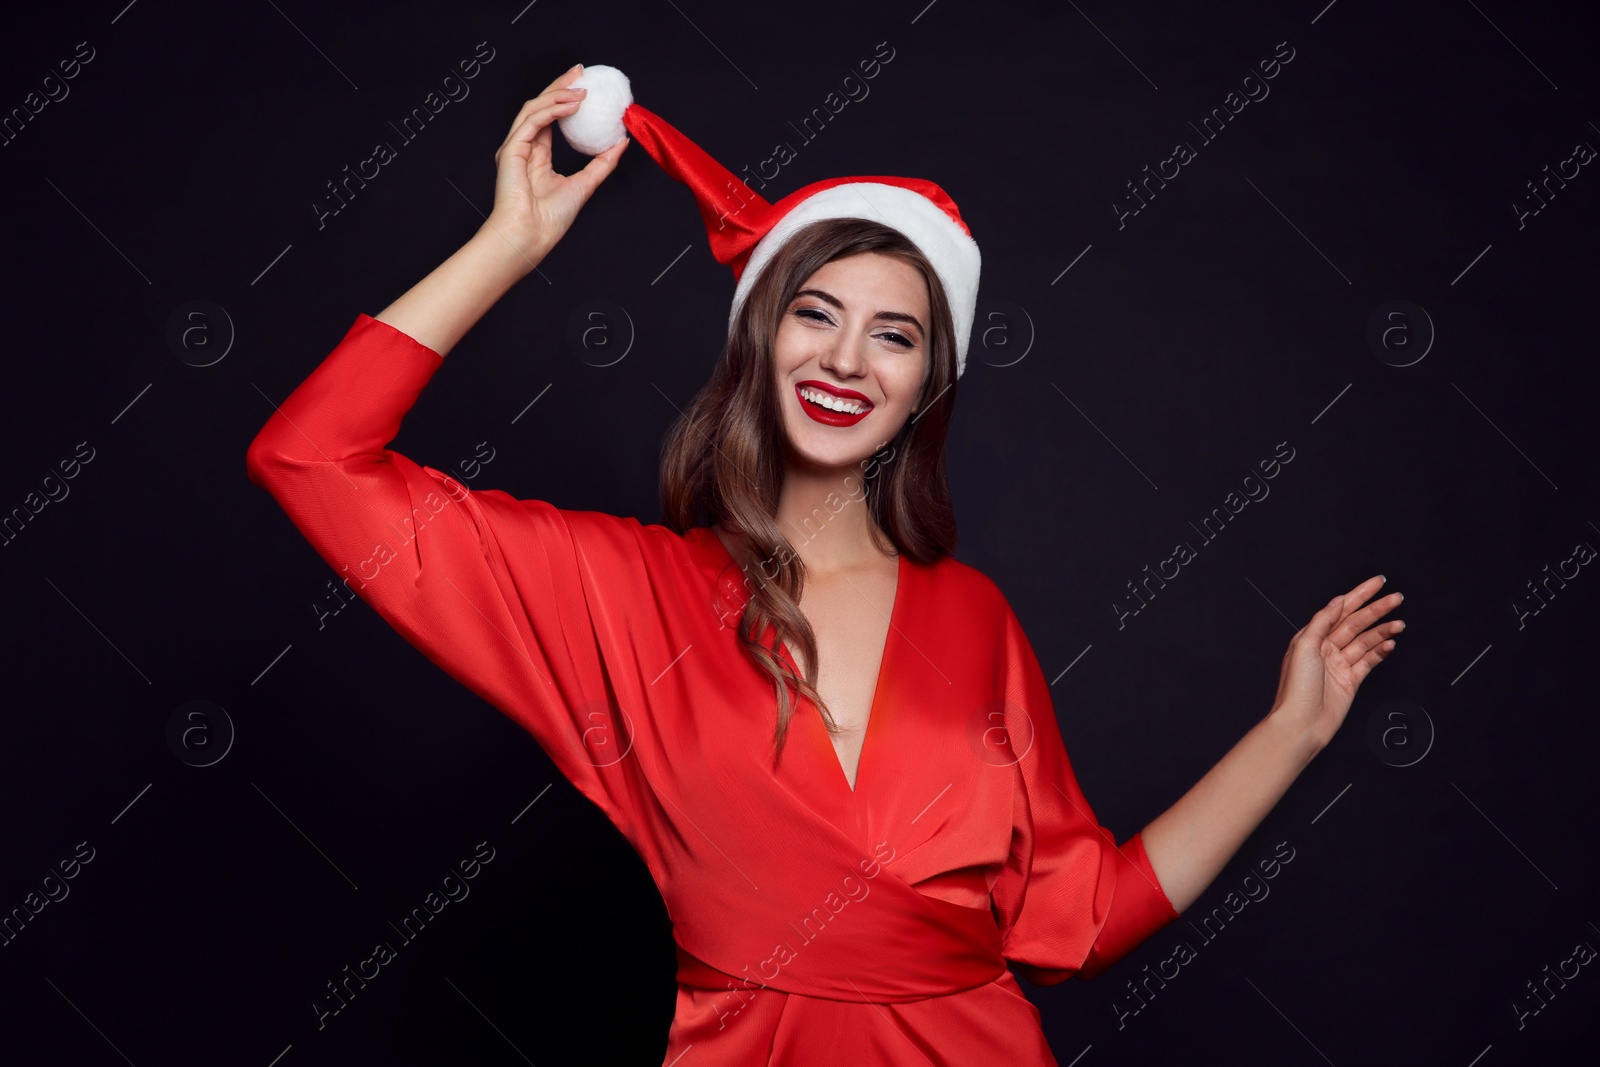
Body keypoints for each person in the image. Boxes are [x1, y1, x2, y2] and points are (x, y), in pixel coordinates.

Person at [246, 62, 1405, 1065]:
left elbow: (1082, 918)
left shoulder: (974, 617)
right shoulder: (616, 590)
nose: (847, 356)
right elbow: (310, 459)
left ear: (922, 387)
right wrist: (510, 244)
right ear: (761, 336)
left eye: (893, 333)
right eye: (815, 312)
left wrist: (1290, 730)